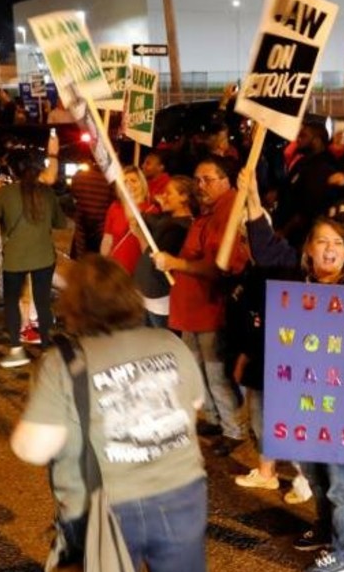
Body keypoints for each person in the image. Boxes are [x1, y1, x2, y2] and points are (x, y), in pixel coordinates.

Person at [10, 255, 211, 572]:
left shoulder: (62, 363)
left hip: (103, 510)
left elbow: (32, 449)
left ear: (74, 304)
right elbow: (195, 403)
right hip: (182, 491)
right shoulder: (168, 342)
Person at [235, 179, 344, 572]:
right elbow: (263, 247)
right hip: (302, 397)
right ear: (308, 249)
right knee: (313, 473)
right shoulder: (296, 282)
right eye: (322, 242)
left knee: (340, 480)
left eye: (338, 244)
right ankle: (328, 529)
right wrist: (254, 200)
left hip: (341, 406)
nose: (329, 250)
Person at [153, 156, 248, 455]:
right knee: (198, 368)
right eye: (197, 179)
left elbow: (217, 266)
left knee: (216, 371)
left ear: (226, 181)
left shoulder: (228, 213)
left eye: (207, 179)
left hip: (209, 308)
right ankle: (216, 418)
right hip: (192, 307)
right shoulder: (209, 212)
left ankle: (233, 429)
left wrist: (175, 262)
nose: (200, 185)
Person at [0, 148, 68, 368]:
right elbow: (61, 223)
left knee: (12, 302)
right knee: (42, 302)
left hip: (15, 258)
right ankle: (46, 350)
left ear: (12, 169)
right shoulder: (46, 192)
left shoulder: (5, 193)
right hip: (43, 256)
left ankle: (16, 349)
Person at [134, 175, 197, 328]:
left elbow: (153, 223)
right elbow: (144, 218)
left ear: (184, 197)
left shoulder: (182, 227)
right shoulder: (168, 219)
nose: (164, 196)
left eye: (169, 193)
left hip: (160, 300)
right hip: (146, 296)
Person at [100, 166, 157, 275]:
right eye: (125, 181)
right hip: (115, 269)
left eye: (134, 181)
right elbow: (107, 239)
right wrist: (102, 263)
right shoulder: (115, 207)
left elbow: (151, 248)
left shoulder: (151, 211)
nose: (129, 184)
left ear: (142, 183)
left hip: (139, 272)